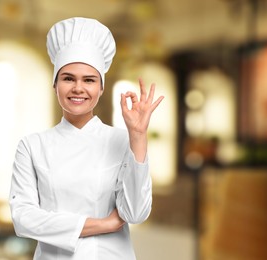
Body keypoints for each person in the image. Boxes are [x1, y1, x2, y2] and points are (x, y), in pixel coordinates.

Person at [9, 17, 164, 260]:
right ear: (55, 85)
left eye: (89, 80)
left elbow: (135, 214)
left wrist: (138, 136)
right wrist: (103, 224)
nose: (78, 88)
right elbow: (23, 218)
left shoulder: (123, 140)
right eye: (68, 78)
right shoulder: (32, 146)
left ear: (101, 88)